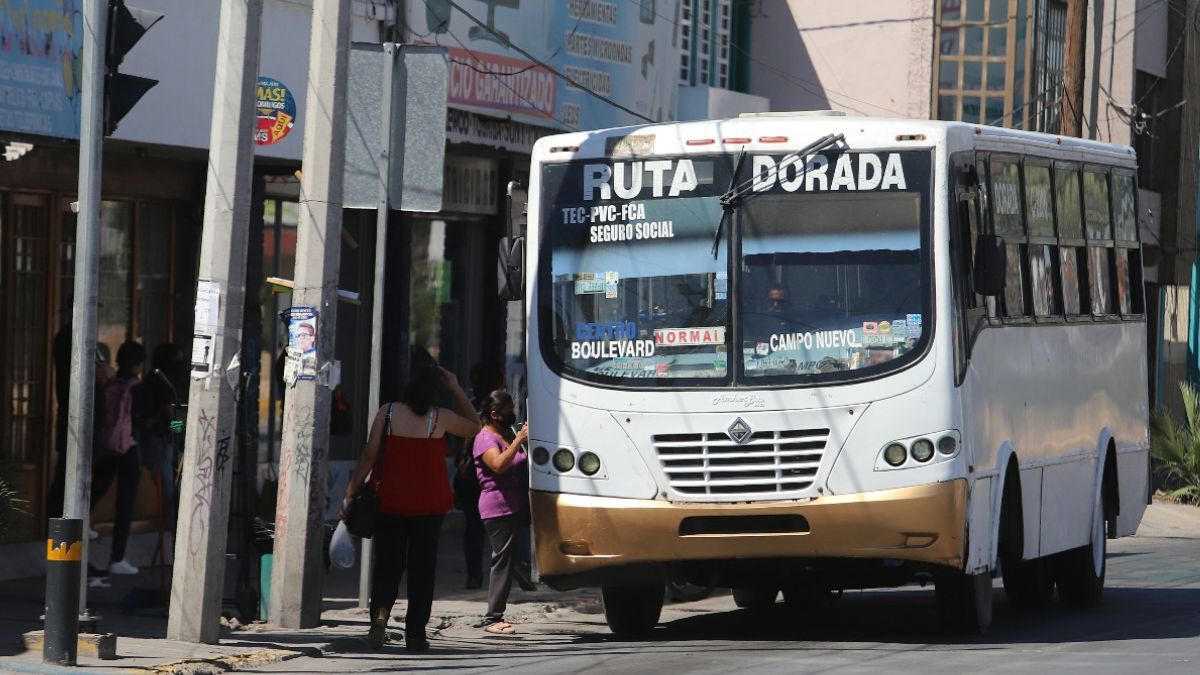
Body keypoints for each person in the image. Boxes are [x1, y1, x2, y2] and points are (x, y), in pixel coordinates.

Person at [342, 348, 479, 652]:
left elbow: (368, 456)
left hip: (390, 501)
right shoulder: (440, 418)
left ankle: (380, 614)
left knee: (388, 564)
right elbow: (476, 426)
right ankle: (415, 634)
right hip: (430, 506)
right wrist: (455, 387)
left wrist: (350, 492)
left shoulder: (387, 412)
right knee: (422, 569)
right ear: (435, 391)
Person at [473, 389, 531, 635]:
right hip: (497, 507)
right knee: (502, 560)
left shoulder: (506, 433)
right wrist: (519, 440)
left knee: (514, 557)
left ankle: (524, 571)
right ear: (495, 414)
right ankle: (493, 617)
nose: (512, 415)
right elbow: (497, 465)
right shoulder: (485, 439)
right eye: (508, 412)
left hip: (517, 503)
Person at [92, 341, 146, 575]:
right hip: (129, 450)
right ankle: (117, 558)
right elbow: (153, 420)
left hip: (107, 448)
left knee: (95, 490)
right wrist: (176, 428)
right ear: (139, 364)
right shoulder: (139, 388)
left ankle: (83, 525)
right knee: (124, 506)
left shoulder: (110, 385)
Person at [137, 343, 185, 528]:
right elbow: (171, 416)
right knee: (168, 486)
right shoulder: (161, 382)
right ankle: (173, 525)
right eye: (177, 361)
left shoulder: (162, 380)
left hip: (163, 441)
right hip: (159, 441)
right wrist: (178, 431)